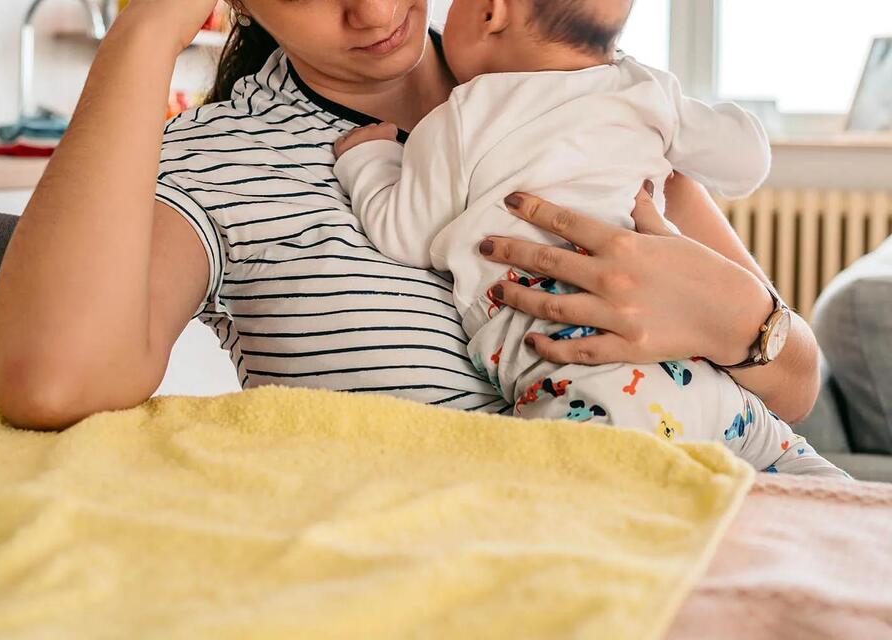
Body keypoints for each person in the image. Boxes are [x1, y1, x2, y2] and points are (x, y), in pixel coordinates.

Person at [0, 0, 824, 445]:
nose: (370, 9)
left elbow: (796, 384)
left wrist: (733, 318)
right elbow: (55, 382)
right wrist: (147, 28)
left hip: (726, 528)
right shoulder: (226, 158)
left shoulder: (569, 80)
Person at [328, 0, 844, 476]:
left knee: (585, 515)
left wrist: (368, 161)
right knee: (830, 503)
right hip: (717, 391)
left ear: (492, 13)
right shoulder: (643, 88)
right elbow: (747, 162)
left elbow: (404, 232)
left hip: (596, 391)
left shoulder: (458, 118)